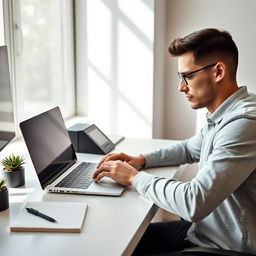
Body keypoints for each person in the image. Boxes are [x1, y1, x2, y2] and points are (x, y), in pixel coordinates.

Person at [93, 28, 256, 255]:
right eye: (180, 77)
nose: (181, 87)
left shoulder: (244, 123)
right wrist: (141, 160)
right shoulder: (225, 113)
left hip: (226, 248)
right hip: (204, 232)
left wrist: (133, 177)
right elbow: (191, 147)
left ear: (218, 72)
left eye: (188, 76)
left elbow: (194, 202)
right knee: (114, 242)